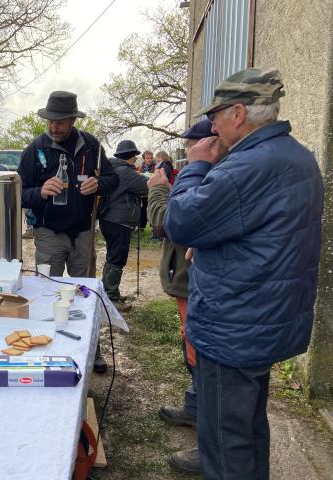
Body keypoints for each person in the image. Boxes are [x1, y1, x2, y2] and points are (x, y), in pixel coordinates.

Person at [164, 68, 323, 480]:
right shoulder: (296, 156)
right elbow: (259, 231)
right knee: (248, 429)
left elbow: (180, 221)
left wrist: (195, 166)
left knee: (225, 442)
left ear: (238, 113)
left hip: (233, 323)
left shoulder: (248, 165)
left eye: (216, 115)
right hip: (266, 317)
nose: (210, 125)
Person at [17, 90, 118, 373]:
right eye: (50, 121)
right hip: (48, 234)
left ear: (73, 119)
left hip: (84, 233)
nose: (54, 127)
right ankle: (47, 346)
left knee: (86, 293)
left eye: (60, 121)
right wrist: (40, 192)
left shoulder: (91, 146)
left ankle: (91, 349)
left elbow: (113, 179)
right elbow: (18, 192)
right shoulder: (35, 150)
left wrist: (99, 185)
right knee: (46, 291)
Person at [146, 118, 214, 475]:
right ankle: (194, 407)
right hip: (187, 280)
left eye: (194, 143)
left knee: (199, 355)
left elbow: (165, 223)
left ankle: (210, 445)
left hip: (194, 283)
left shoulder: (206, 178)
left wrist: (157, 190)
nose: (188, 151)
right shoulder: (203, 175)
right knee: (191, 349)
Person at [99, 140, 148, 311]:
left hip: (110, 219)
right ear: (133, 155)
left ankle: (107, 292)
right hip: (119, 221)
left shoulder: (113, 168)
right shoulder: (125, 172)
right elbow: (146, 187)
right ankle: (111, 298)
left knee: (112, 256)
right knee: (117, 258)